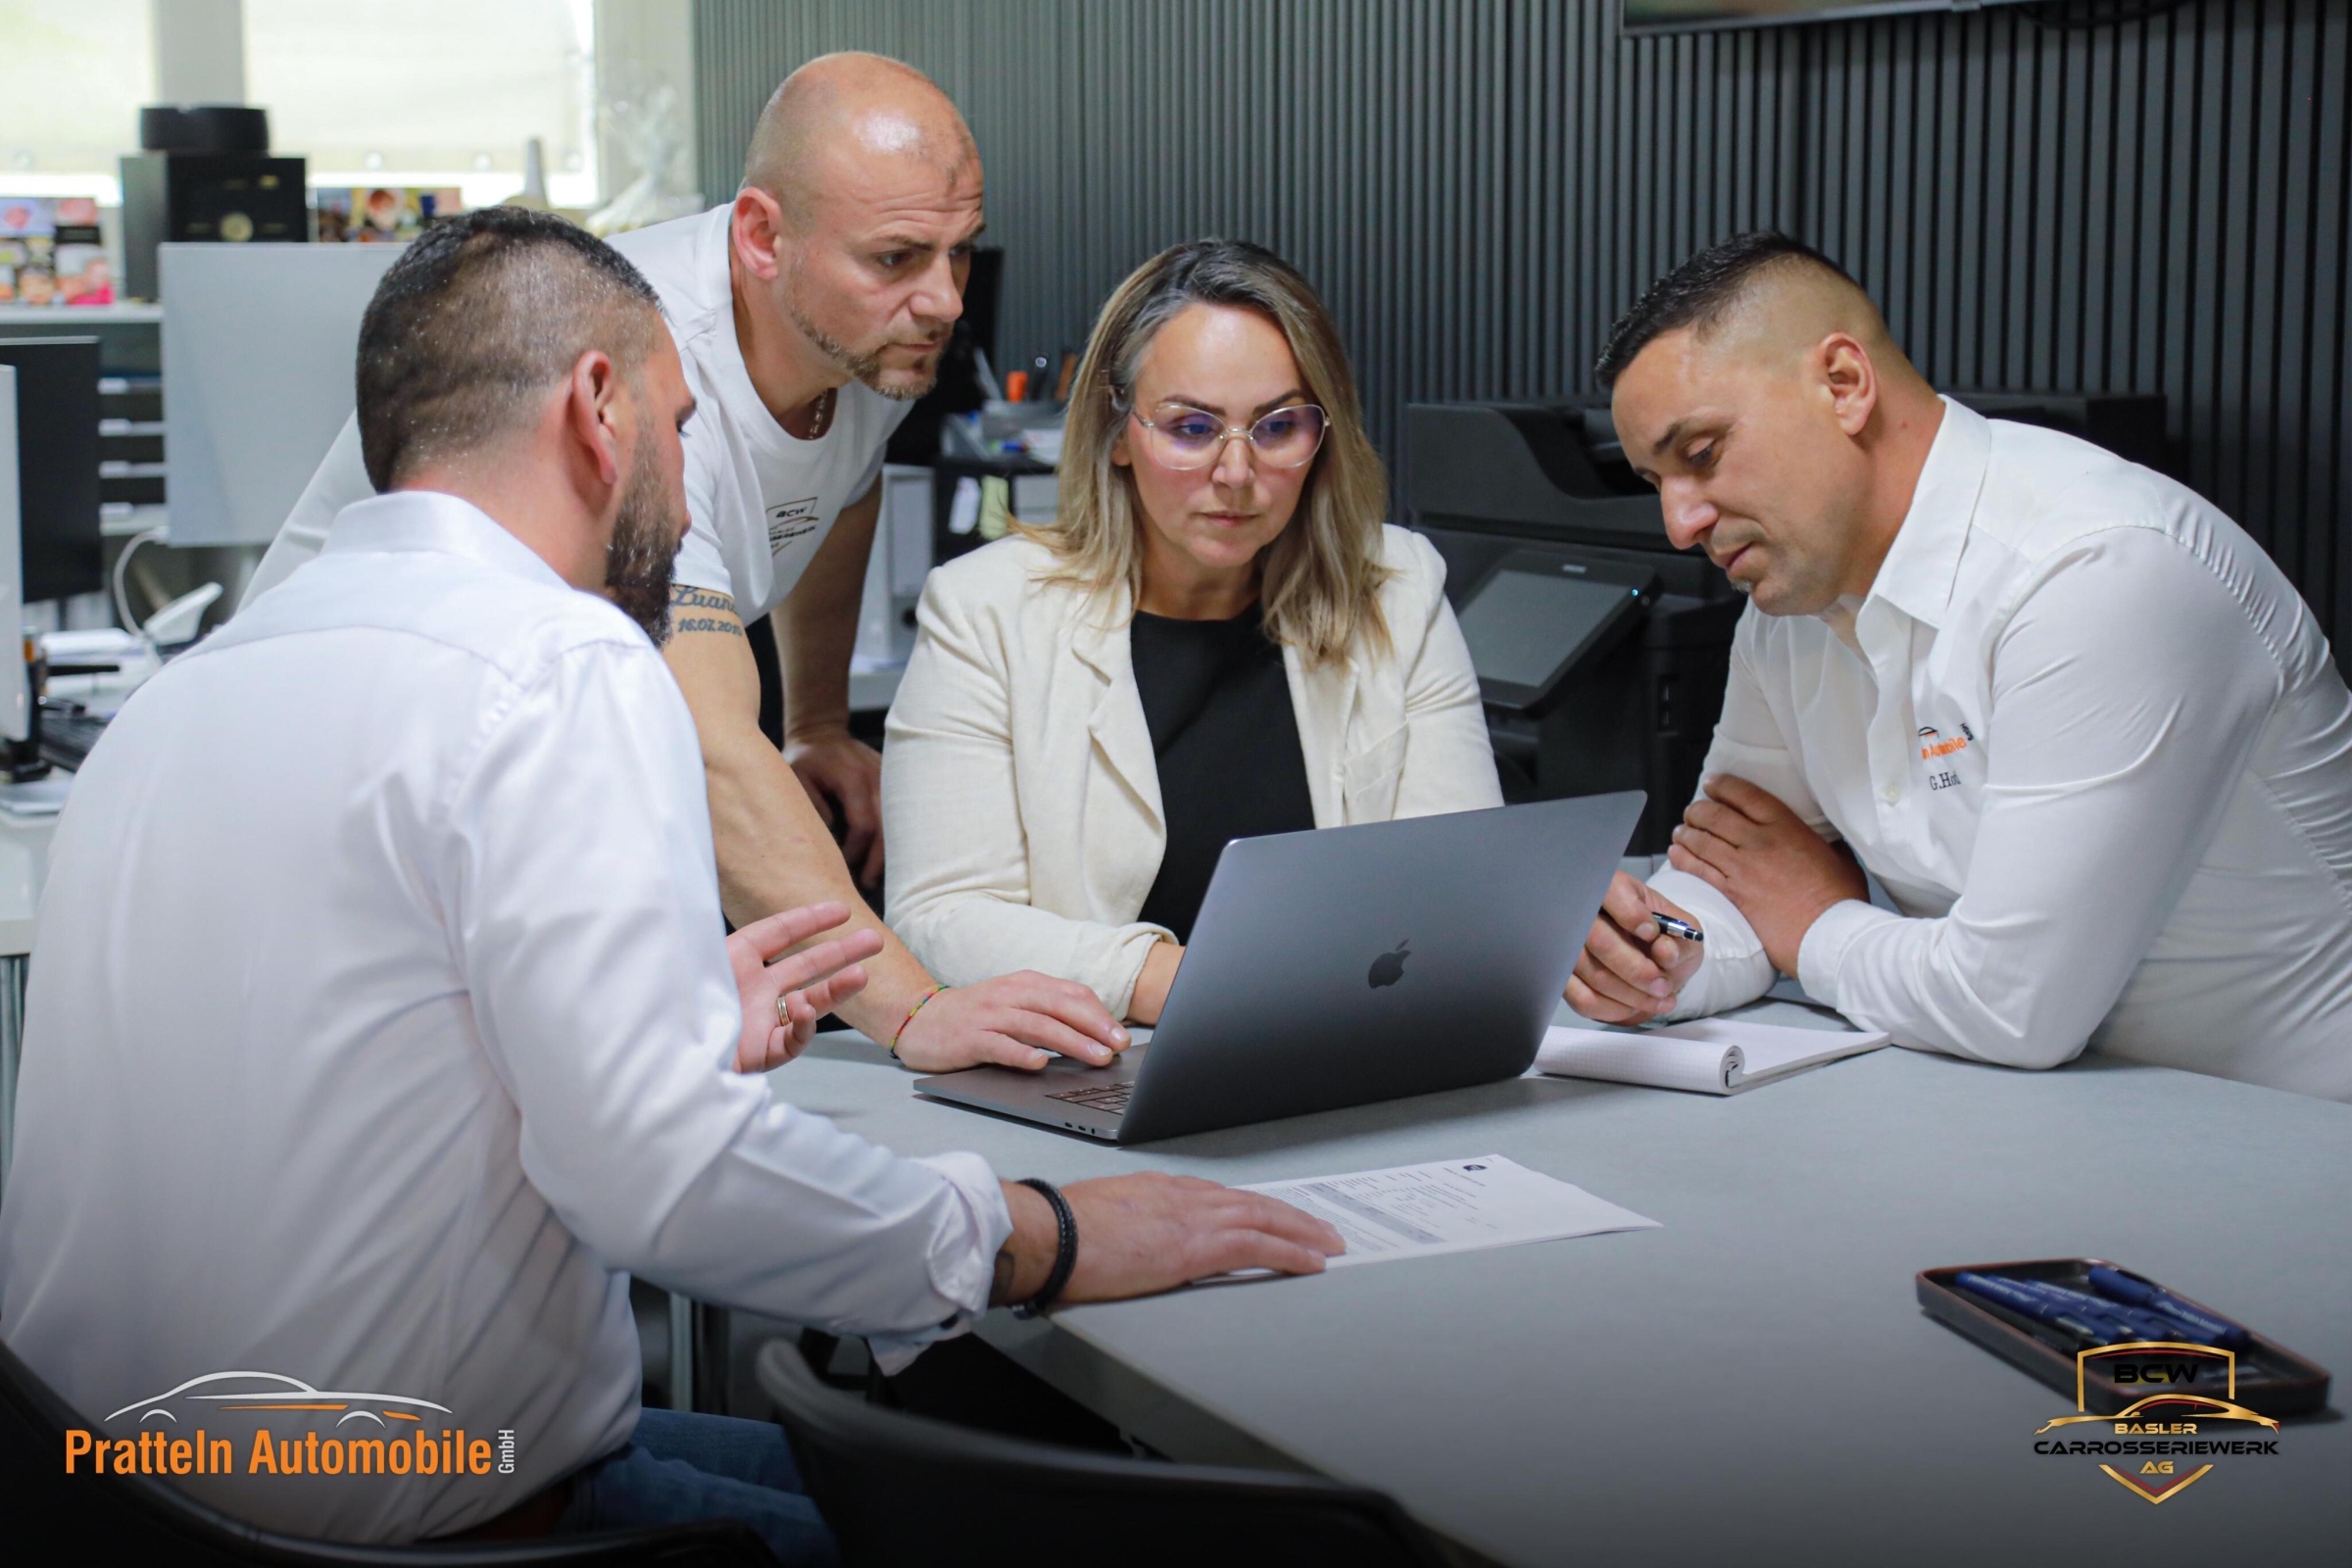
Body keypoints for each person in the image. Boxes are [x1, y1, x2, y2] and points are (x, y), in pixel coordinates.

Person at [0, 210, 1343, 1558]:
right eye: (685, 429)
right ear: (600, 410)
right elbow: (663, 1180)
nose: (696, 503)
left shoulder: (185, 695)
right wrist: (1038, 1233)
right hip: (419, 1521)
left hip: (125, 1494)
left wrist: (664, 1020)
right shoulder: (560, 664)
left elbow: (344, 1058)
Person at [236, 53, 1126, 1076]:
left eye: (959, 252)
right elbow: (707, 751)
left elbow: (842, 488)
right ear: (762, 236)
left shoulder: (866, 338)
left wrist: (817, 721)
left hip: (503, 792)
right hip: (332, 785)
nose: (944, 301)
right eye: (897, 258)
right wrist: (915, 1009)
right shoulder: (641, 363)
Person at [1564, 231, 2352, 1102]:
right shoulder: (1789, 610)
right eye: (1656, 482)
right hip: (2037, 1115)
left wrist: (1816, 922)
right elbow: (1737, 880)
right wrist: (1655, 955)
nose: (1680, 524)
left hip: (2292, 1133)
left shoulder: (2095, 569)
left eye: (1702, 454)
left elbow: (2011, 1006)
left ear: (1844, 384)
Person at [881, 239, 1500, 1023]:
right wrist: (1195, 982)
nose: (1237, 474)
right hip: (1111, 1055)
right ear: (1116, 432)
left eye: (1278, 427)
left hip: (1354, 1041)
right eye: (1191, 427)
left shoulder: (1399, 587)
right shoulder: (987, 610)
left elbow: (1459, 879)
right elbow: (942, 916)